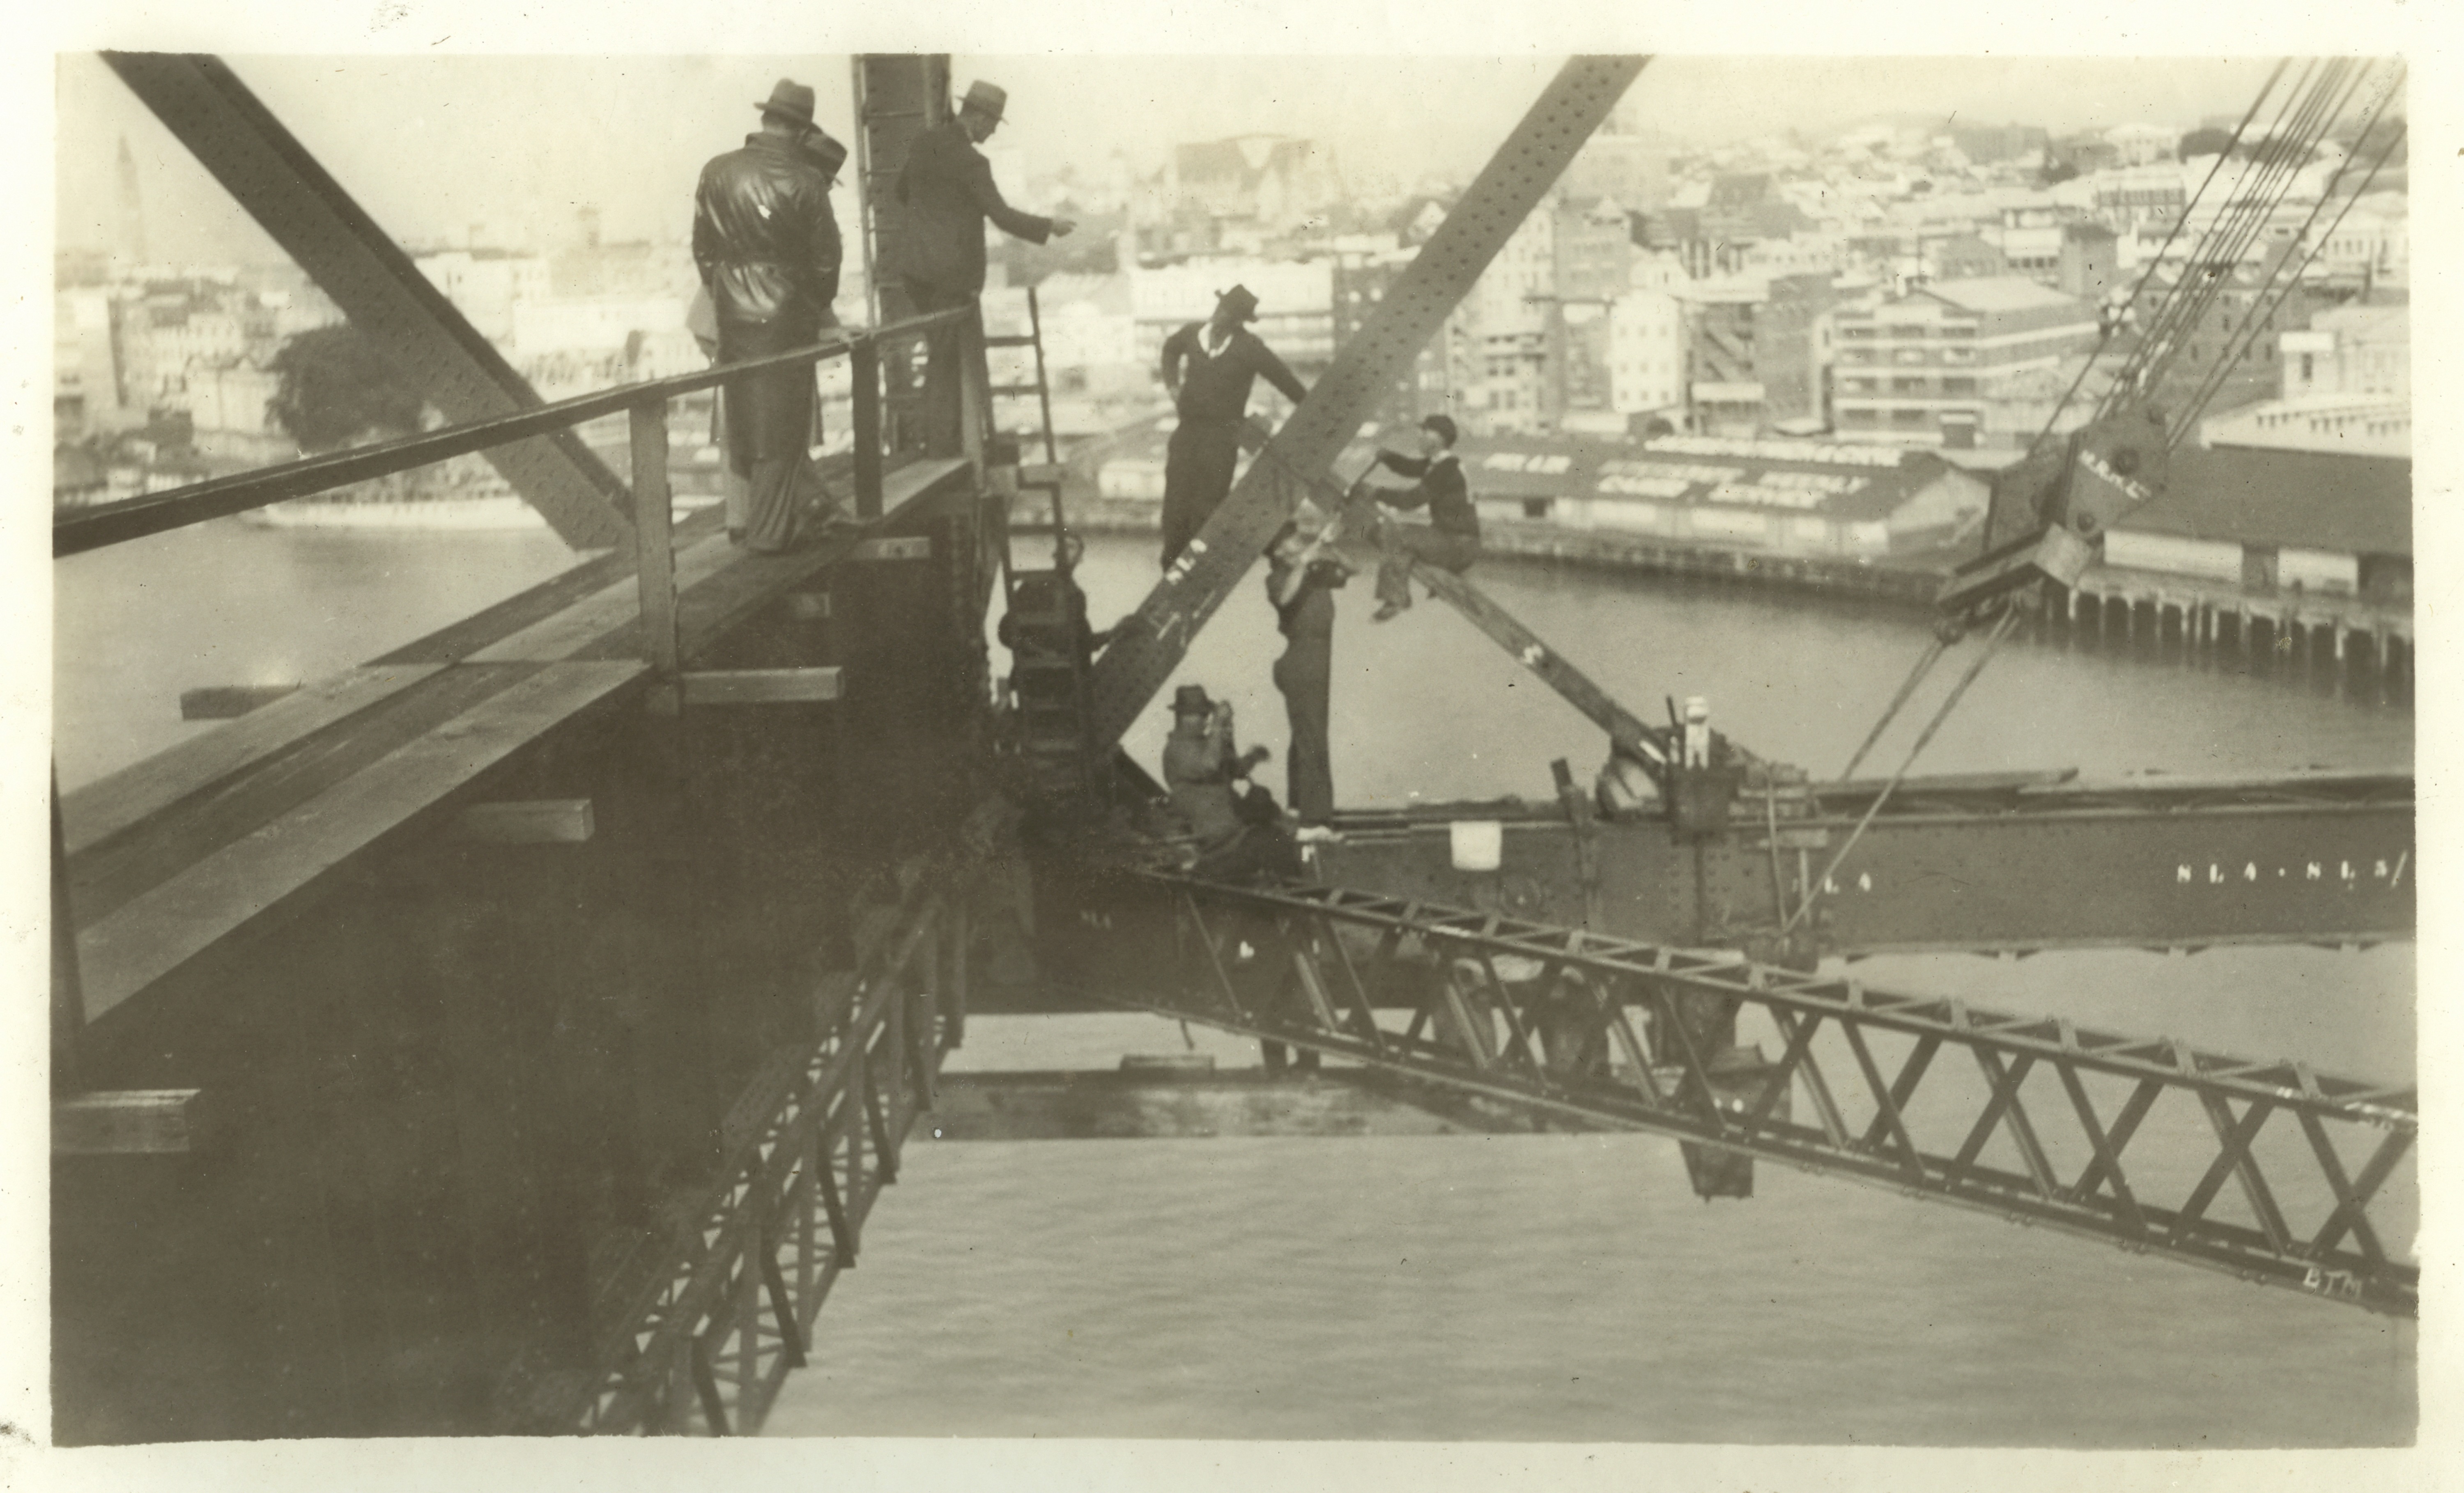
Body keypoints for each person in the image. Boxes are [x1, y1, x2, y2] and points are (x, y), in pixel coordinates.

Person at [692, 80, 855, 553]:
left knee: (744, 422)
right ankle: (769, 536)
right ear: (803, 130)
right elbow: (827, 263)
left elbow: (704, 249)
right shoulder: (805, 182)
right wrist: (809, 303)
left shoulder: (717, 170)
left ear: (767, 118)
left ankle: (759, 523)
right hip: (788, 316)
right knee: (784, 426)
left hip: (734, 313)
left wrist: (727, 292)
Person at [896, 81, 1076, 457]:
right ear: (977, 117)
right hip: (949, 276)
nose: (993, 132)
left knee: (939, 352)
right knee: (947, 361)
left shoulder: (922, 143)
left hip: (915, 269)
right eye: (993, 123)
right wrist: (1049, 227)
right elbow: (1002, 216)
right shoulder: (972, 162)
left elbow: (901, 192)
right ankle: (943, 449)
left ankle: (940, 439)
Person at [1157, 285, 1312, 568]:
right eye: (1221, 308)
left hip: (1221, 437)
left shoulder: (1250, 348)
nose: (1220, 315)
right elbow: (1170, 350)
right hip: (1187, 431)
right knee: (1175, 505)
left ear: (1238, 319)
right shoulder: (1193, 333)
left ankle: (1197, 566)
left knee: (1207, 505)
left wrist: (1310, 405)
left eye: (1228, 312)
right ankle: (1171, 566)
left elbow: (1284, 379)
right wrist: (1173, 387)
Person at [1264, 515, 1353, 827]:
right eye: (1288, 537)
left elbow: (1350, 570)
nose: (1296, 538)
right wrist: (1307, 557)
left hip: (1316, 658)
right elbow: (1286, 597)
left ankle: (1298, 807)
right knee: (1313, 736)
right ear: (1277, 552)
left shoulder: (1311, 572)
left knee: (1306, 734)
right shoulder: (1277, 577)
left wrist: (1328, 546)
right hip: (1303, 659)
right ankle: (1315, 821)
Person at [1161, 685, 1298, 883]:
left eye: (1207, 715)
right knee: (1273, 845)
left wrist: (1251, 756)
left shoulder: (1204, 744)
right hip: (1218, 849)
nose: (1205, 720)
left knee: (1280, 839)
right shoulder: (1176, 749)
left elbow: (1234, 771)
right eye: (1201, 715)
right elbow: (1209, 766)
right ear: (1183, 717)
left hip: (1235, 838)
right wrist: (1218, 725)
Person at [1363, 414, 1479, 620]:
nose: (1420, 438)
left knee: (1397, 533)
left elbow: (1410, 501)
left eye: (1425, 433)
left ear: (1438, 439)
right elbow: (1410, 468)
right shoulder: (1440, 464)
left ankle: (1396, 599)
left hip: (1458, 545)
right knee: (1402, 538)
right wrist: (1389, 457)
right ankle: (1398, 596)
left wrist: (1378, 493)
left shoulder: (1446, 470)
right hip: (1456, 542)